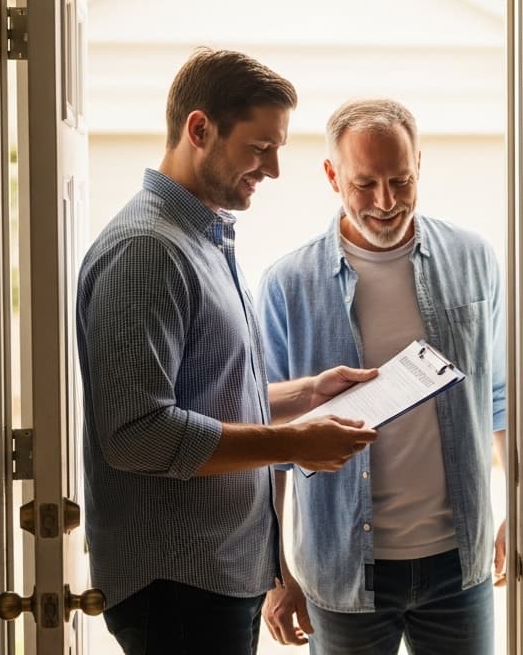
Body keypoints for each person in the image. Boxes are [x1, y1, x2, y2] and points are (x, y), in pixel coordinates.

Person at [76, 48, 379, 655]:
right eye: (259, 147)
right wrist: (293, 444)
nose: (273, 169)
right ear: (199, 129)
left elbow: (206, 391)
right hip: (179, 588)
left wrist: (306, 394)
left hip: (215, 576)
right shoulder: (148, 250)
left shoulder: (202, 238)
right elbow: (137, 434)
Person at [257, 98, 507, 655]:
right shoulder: (287, 284)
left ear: (419, 164)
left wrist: (521, 511)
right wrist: (276, 574)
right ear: (332, 176)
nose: (386, 202)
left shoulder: (475, 259)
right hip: (342, 569)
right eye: (365, 184)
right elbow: (268, 439)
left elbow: (499, 396)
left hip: (458, 562)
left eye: (401, 180)